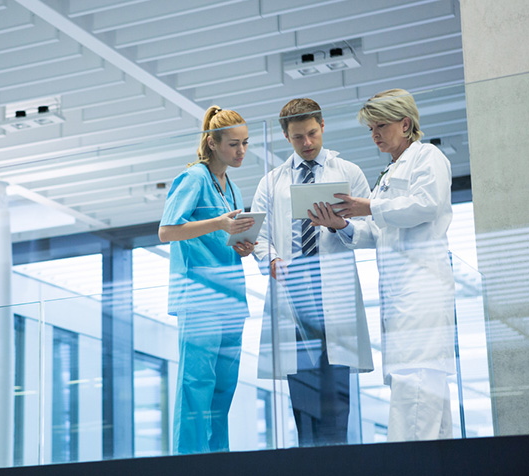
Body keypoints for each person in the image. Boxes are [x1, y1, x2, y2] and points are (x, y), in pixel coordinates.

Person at [310, 88, 455, 442]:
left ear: (406, 124)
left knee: (415, 384)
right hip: (399, 291)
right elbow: (377, 233)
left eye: (381, 126)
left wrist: (370, 207)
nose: (375, 134)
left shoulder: (427, 157)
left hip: (422, 288)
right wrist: (341, 224)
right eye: (371, 128)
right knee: (421, 390)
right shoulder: (389, 173)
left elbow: (426, 205)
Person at [251, 98, 374, 447]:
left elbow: (372, 231)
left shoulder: (347, 172)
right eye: (297, 138)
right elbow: (260, 236)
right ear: (286, 138)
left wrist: (340, 226)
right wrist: (271, 259)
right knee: (302, 400)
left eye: (311, 133)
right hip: (294, 293)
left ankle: (338, 462)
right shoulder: (271, 181)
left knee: (336, 401)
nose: (307, 143)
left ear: (322, 125)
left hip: (331, 293)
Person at [158, 106, 255, 454]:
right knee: (196, 385)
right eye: (233, 144)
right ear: (212, 143)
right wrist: (219, 224)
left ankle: (218, 461)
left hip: (231, 297)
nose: (241, 151)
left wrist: (242, 245)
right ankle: (189, 463)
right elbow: (167, 231)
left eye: (245, 143)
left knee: (223, 389)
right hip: (199, 298)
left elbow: (224, 238)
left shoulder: (233, 188)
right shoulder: (194, 179)